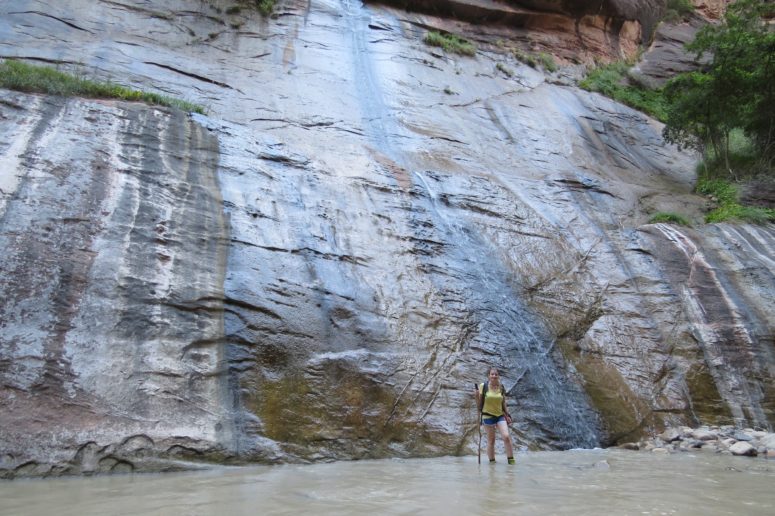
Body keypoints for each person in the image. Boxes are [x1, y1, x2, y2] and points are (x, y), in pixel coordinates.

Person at [474, 367, 515, 464]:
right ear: (489, 376)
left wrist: (507, 414)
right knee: (491, 440)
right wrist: (476, 396)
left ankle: (511, 461)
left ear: (498, 376)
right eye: (492, 374)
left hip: (500, 415)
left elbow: (503, 401)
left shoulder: (501, 387)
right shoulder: (483, 386)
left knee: (506, 436)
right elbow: (479, 404)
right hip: (487, 416)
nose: (494, 376)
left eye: (496, 374)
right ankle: (492, 463)